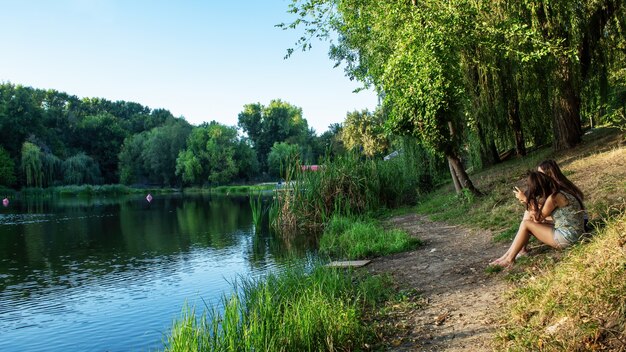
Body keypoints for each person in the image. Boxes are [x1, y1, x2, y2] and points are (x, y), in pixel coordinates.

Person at [490, 170, 585, 268]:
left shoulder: (553, 198)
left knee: (526, 224)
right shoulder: (559, 192)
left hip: (568, 237)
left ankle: (509, 259)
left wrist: (526, 200)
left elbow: (537, 219)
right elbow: (540, 211)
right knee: (527, 219)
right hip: (575, 232)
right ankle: (507, 255)